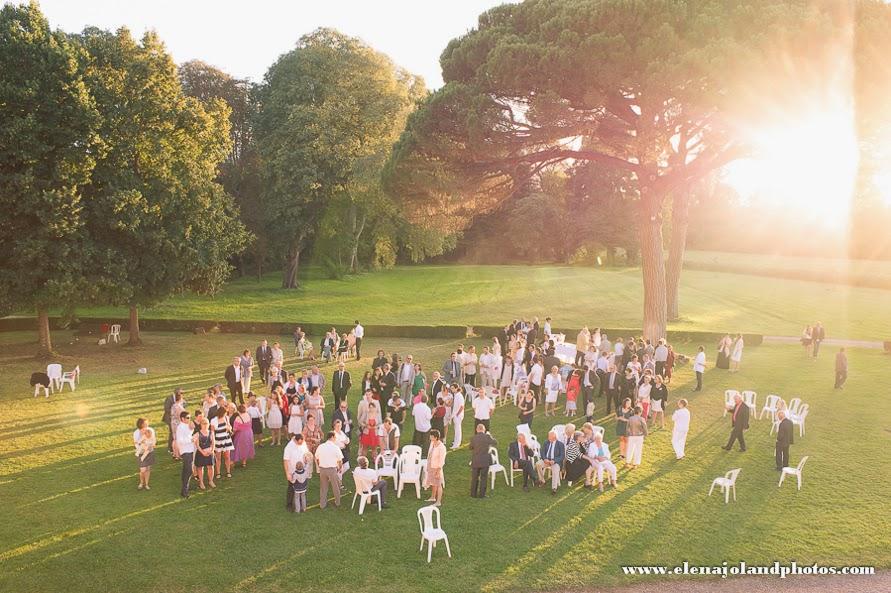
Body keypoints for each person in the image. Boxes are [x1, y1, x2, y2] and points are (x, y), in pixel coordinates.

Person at [283, 433, 312, 512]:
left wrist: (307, 460)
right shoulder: (289, 447)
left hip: (303, 471)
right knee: (291, 488)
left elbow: (306, 453)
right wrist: (287, 473)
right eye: (299, 443)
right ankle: (289, 504)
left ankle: (302, 504)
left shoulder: (303, 443)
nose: (301, 444)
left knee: (302, 486)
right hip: (293, 472)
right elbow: (285, 461)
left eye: (302, 442)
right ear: (295, 440)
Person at [315, 432, 343, 509]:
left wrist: (320, 465)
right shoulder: (335, 447)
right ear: (332, 437)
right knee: (336, 487)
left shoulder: (321, 446)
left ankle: (322, 504)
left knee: (323, 487)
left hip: (322, 469)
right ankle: (337, 502)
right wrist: (340, 468)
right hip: (332, 469)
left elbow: (317, 458)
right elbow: (340, 460)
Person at [469, 423, 496, 498]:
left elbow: (470, 447)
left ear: (477, 430)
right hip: (485, 461)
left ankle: (473, 494)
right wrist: (490, 436)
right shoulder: (487, 437)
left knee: (474, 478)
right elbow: (495, 442)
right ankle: (482, 495)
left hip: (476, 461)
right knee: (484, 478)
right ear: (484, 430)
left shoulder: (473, 438)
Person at [174, 410, 195, 498]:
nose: (189, 419)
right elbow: (180, 440)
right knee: (189, 470)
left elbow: (189, 435)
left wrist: (192, 430)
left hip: (190, 449)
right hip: (185, 451)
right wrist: (191, 439)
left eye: (190, 417)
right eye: (187, 418)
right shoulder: (180, 427)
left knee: (186, 470)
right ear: (182, 419)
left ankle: (184, 488)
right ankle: (185, 490)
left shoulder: (187, 425)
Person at [536, 430, 565, 494]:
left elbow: (562, 456)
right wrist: (544, 459)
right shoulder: (546, 442)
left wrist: (554, 461)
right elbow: (542, 452)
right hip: (546, 460)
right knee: (538, 464)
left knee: (555, 469)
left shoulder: (560, 444)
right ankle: (542, 480)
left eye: (549, 436)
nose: (548, 437)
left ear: (554, 437)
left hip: (555, 462)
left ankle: (554, 488)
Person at [425, 430, 447, 506]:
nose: (430, 437)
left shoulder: (442, 447)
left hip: (437, 468)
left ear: (436, 437)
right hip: (431, 466)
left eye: (431, 436)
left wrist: (438, 471)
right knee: (433, 483)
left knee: (438, 484)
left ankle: (438, 501)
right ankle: (433, 497)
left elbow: (441, 461)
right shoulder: (432, 443)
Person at [133, 418, 156, 490]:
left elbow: (153, 439)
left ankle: (146, 484)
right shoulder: (136, 433)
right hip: (141, 452)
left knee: (148, 468)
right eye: (145, 424)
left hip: (149, 451)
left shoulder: (151, 430)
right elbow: (136, 443)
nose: (147, 425)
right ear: (141, 425)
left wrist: (151, 445)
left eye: (147, 423)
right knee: (143, 470)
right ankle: (141, 483)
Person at [193, 418, 216, 489]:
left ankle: (211, 481)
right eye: (204, 424)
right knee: (200, 468)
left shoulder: (211, 433)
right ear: (201, 425)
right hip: (200, 453)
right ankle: (201, 482)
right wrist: (202, 452)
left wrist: (212, 451)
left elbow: (213, 443)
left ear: (209, 424)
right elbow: (197, 445)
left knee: (210, 467)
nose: (205, 425)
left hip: (209, 452)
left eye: (206, 423)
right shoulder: (197, 433)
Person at [212, 407, 234, 479]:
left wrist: (229, 428)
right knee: (218, 458)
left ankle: (228, 472)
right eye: (225, 413)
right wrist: (213, 442)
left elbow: (230, 426)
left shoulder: (226, 418)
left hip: (226, 439)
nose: (226, 414)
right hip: (218, 440)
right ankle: (218, 473)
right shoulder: (214, 420)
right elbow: (212, 432)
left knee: (227, 457)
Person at [162, 388, 181, 454]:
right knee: (172, 433)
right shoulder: (169, 399)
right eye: (180, 393)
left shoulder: (180, 398)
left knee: (175, 434)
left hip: (176, 419)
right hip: (170, 418)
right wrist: (175, 412)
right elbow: (166, 409)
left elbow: (185, 404)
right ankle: (171, 448)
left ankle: (175, 449)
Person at [450, 385, 465, 449]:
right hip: (455, 415)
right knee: (456, 428)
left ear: (456, 388)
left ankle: (457, 444)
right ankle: (455, 441)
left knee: (458, 430)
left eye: (453, 388)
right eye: (451, 388)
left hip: (458, 416)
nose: (452, 390)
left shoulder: (459, 396)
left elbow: (462, 406)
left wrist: (457, 414)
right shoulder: (456, 395)